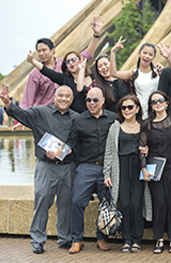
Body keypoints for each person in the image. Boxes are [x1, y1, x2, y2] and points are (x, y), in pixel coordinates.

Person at [0, 84, 78, 254]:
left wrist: (70, 149)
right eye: (60, 95)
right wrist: (8, 105)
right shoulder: (40, 113)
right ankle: (37, 240)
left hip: (68, 167)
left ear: (71, 99)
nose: (63, 98)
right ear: (55, 97)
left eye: (67, 96)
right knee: (42, 201)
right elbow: (21, 114)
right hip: (46, 167)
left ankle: (65, 238)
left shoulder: (76, 118)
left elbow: (80, 142)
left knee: (66, 204)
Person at [66, 87, 116, 254]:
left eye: (95, 100)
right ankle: (77, 240)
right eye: (88, 100)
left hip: (107, 167)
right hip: (86, 166)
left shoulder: (113, 118)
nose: (92, 103)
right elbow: (72, 144)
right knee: (77, 202)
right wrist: (58, 151)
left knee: (106, 203)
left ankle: (102, 238)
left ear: (103, 100)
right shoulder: (79, 120)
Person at [20, 16, 102, 109]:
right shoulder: (35, 74)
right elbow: (27, 101)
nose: (41, 53)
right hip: (45, 112)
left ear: (52, 50)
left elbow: (88, 53)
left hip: (63, 112)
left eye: (44, 50)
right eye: (39, 51)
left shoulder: (65, 63)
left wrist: (96, 35)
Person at [140, 91, 171, 254]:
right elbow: (142, 149)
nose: (158, 103)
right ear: (151, 106)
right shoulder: (147, 124)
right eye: (154, 102)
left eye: (160, 100)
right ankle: (158, 239)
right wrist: (144, 169)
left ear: (166, 103)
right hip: (155, 171)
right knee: (159, 205)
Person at [103, 94, 145, 253]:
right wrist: (106, 174)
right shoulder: (115, 126)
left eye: (130, 107)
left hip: (139, 170)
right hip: (120, 168)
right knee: (125, 204)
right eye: (123, 107)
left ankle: (137, 239)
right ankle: (126, 239)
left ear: (137, 108)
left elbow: (152, 146)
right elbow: (108, 152)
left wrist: (147, 150)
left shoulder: (144, 126)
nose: (127, 110)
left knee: (136, 204)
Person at [27, 50, 92, 113]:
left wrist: (82, 70)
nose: (71, 63)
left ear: (80, 60)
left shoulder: (92, 76)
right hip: (75, 118)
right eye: (67, 62)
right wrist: (33, 61)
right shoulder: (64, 78)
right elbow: (48, 72)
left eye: (74, 60)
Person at [110, 39, 161, 118]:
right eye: (144, 53)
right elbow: (113, 73)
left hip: (155, 109)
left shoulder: (158, 72)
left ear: (153, 57)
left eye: (150, 54)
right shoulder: (133, 73)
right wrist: (113, 52)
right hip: (140, 112)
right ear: (139, 53)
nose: (147, 56)